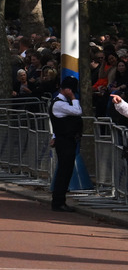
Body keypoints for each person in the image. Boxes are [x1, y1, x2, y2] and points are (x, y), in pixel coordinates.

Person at [49, 76, 83, 211]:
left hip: (66, 140)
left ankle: (59, 200)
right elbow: (77, 111)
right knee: (64, 172)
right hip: (65, 141)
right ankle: (58, 202)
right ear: (68, 90)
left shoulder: (61, 102)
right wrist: (73, 98)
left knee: (66, 171)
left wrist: (54, 136)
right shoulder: (59, 103)